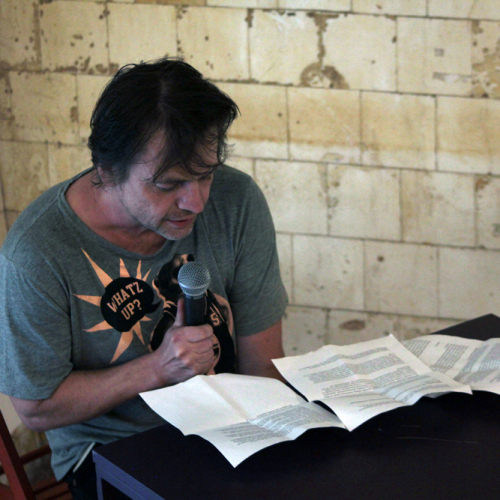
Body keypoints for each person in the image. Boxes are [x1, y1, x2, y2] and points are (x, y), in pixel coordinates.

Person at [0, 58, 287, 499]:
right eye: (169, 184)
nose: (196, 202)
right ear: (106, 171)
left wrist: (281, 442)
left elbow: (263, 367)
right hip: (113, 449)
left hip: (228, 426)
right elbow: (37, 408)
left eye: (206, 175)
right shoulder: (36, 254)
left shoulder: (238, 200)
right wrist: (157, 368)